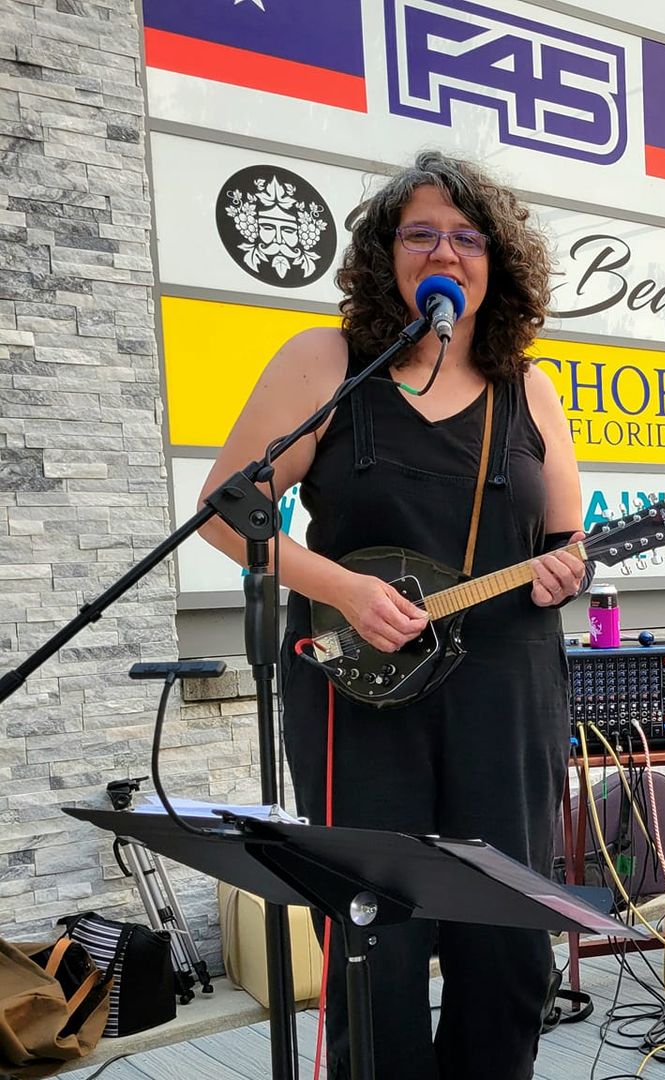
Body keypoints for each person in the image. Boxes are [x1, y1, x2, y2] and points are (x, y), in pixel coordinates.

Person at [196, 151, 586, 1080]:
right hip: (357, 692)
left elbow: (565, 532)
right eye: (420, 232)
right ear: (385, 253)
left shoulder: (528, 386)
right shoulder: (328, 362)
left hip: (506, 689)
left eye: (466, 235)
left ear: (497, 263)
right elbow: (227, 511)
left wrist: (564, 572)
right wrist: (340, 589)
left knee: (509, 937)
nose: (443, 250)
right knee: (379, 940)